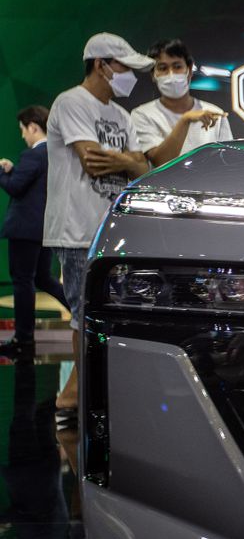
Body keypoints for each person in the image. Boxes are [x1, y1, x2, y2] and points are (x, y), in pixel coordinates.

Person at [45, 33, 152, 409]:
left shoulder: (121, 115)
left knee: (104, 312)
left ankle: (79, 391)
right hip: (76, 228)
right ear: (101, 64)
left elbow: (143, 168)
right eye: (125, 68)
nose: (130, 76)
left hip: (112, 229)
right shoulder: (71, 103)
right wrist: (129, 160)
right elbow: (91, 160)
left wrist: (125, 161)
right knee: (83, 313)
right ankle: (79, 395)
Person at [0, 106, 69, 356]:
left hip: (24, 229)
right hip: (45, 228)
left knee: (22, 281)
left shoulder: (33, 155)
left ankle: (23, 339)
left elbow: (17, 188)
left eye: (22, 130)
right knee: (43, 279)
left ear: (33, 127)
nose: (22, 136)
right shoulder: (57, 154)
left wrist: (2, 172)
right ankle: (82, 313)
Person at [130, 39, 231, 167]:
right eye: (163, 68)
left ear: (189, 70)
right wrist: (185, 120)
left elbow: (227, 162)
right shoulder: (142, 115)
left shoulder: (215, 113)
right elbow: (161, 162)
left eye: (177, 66)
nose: (171, 74)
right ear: (153, 74)